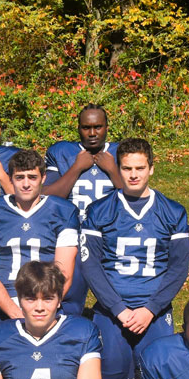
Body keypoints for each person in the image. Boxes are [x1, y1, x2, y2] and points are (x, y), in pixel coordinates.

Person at [78, 138, 189, 379]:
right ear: (119, 170)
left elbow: (178, 268)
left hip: (154, 316)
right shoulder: (100, 210)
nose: (133, 174)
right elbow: (91, 265)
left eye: (140, 168)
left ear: (152, 168)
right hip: (113, 314)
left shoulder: (172, 212)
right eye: (127, 168)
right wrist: (120, 308)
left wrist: (150, 309)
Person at [0, 149, 79, 325]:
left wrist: (43, 309)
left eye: (32, 177)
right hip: (5, 305)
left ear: (43, 178)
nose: (26, 184)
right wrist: (14, 311)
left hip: (46, 305)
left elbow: (64, 273)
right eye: (19, 177)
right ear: (10, 178)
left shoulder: (63, 211)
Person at [43, 104, 120, 315]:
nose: (93, 133)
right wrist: (76, 168)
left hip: (111, 237)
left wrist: (113, 171)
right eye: (86, 127)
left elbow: (136, 194)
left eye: (98, 127)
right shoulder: (62, 152)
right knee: (68, 297)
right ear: (78, 128)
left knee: (119, 297)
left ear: (107, 127)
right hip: (72, 235)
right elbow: (48, 197)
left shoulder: (120, 152)